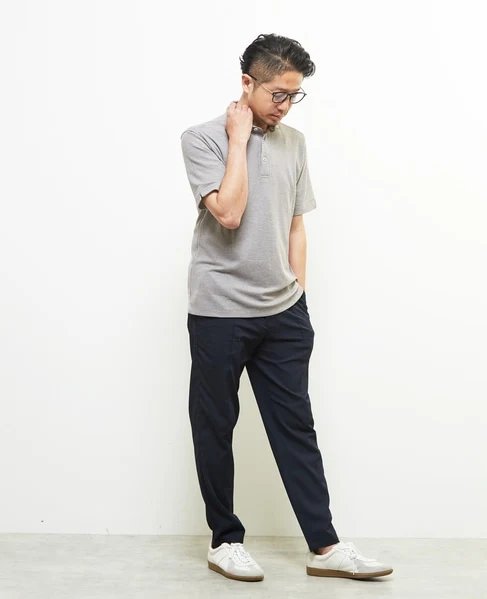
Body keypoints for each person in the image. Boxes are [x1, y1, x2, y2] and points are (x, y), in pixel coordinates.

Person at [180, 33, 393, 583]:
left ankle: (325, 546)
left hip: (283, 314)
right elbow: (229, 213)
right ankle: (225, 541)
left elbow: (297, 223)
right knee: (215, 426)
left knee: (296, 428)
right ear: (246, 83)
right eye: (277, 93)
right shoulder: (201, 138)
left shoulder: (294, 142)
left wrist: (299, 296)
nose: (285, 106)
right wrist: (238, 140)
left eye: (294, 95)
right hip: (219, 311)